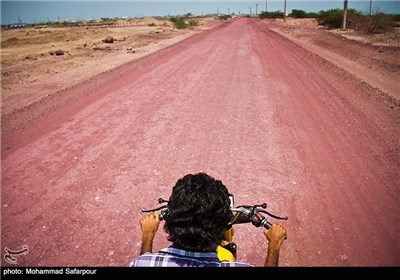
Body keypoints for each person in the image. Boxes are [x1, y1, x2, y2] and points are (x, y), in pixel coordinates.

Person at [129, 172, 287, 267]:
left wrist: (147, 236)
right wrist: (274, 245)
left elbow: (145, 260)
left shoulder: (141, 263)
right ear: (223, 225)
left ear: (171, 220)